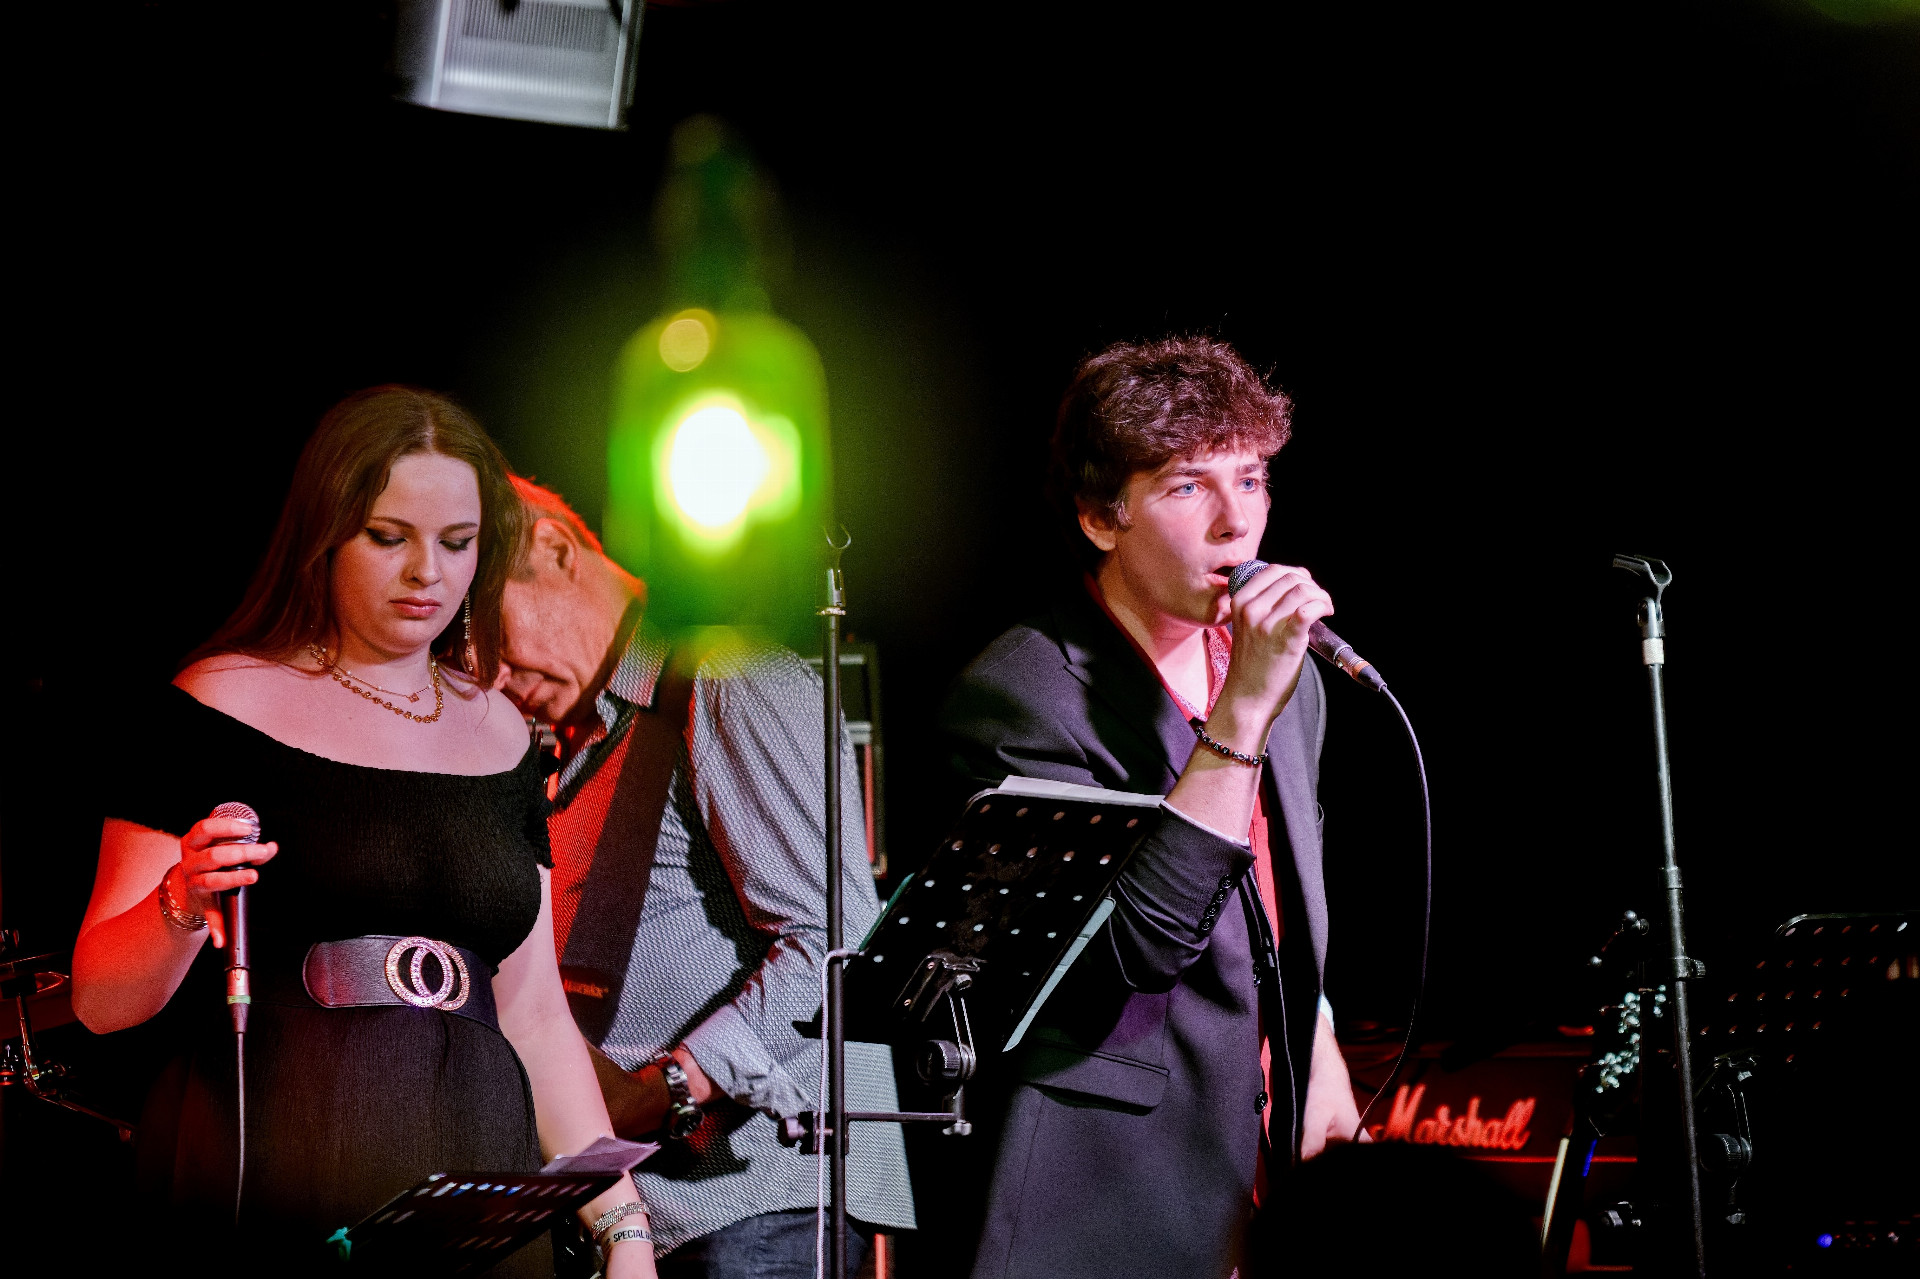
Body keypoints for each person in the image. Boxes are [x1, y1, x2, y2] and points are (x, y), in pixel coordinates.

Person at [71, 387, 657, 1277]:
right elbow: (98, 999)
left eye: (457, 542)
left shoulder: (506, 737)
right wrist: (180, 901)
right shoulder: (216, 705)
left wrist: (625, 1227)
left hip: (475, 1180)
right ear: (326, 535)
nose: (428, 572)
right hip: (284, 1168)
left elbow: (536, 1017)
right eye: (390, 537)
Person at [936, 336, 1364, 1278]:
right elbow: (1137, 948)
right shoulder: (1023, 696)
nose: (1235, 522)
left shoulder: (1289, 678)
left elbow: (1276, 901)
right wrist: (1241, 710)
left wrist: (1319, 1041)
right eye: (1186, 486)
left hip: (1267, 1162)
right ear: (1102, 517)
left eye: (1249, 479)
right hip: (1110, 1194)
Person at [495, 476, 916, 1277]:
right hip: (656, 1228)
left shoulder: (724, 673)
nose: (485, 670)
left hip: (764, 1210)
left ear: (554, 549)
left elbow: (837, 943)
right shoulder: (575, 753)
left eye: (482, 625)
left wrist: (669, 1088)